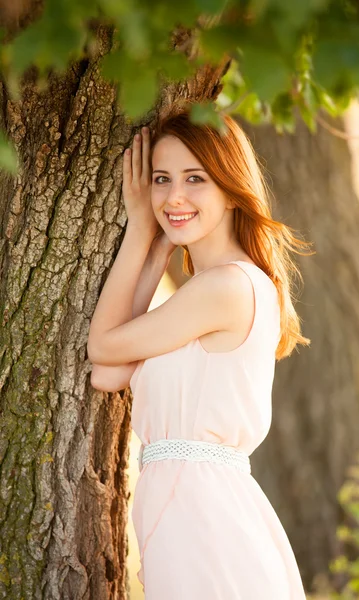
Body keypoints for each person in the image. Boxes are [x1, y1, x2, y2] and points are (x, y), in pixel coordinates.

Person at [87, 108, 312, 599]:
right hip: (185, 505)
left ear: (232, 189)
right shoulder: (208, 291)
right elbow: (108, 372)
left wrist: (140, 231)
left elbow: (102, 343)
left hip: (204, 513)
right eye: (162, 179)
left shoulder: (227, 287)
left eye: (196, 179)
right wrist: (154, 255)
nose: (174, 197)